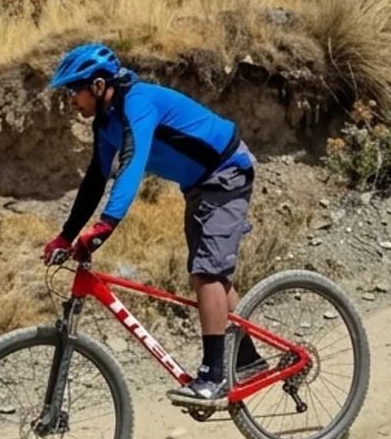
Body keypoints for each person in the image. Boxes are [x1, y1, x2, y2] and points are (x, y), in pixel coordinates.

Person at [42, 43, 267, 403]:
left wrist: (105, 225)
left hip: (227, 173)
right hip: (198, 186)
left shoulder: (137, 104)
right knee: (214, 277)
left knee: (205, 273)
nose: (71, 100)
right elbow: (95, 181)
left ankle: (213, 376)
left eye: (74, 91)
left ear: (98, 86)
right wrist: (65, 236)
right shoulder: (106, 123)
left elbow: (131, 164)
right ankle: (248, 359)